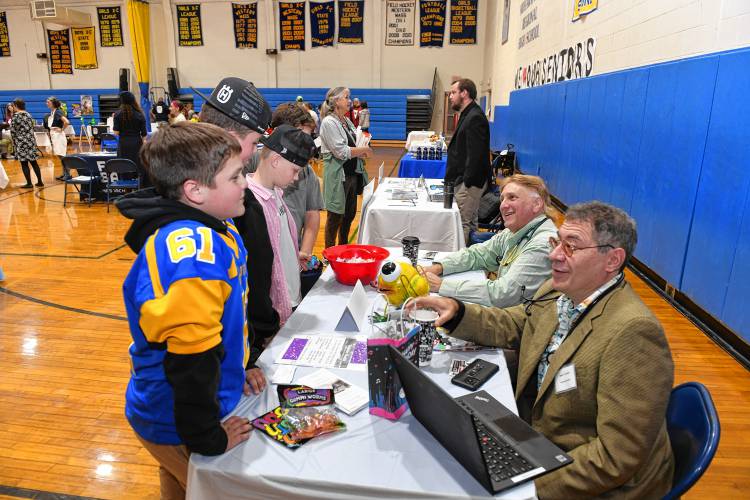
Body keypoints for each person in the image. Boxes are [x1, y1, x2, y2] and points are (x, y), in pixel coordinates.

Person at [412, 201, 675, 498]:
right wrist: (458, 311)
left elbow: (617, 458)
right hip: (539, 440)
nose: (554, 255)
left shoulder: (634, 333)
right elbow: (518, 324)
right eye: (556, 242)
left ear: (612, 260)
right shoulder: (558, 290)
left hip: (589, 477)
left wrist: (530, 488)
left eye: (571, 247)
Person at [116, 121, 267, 499]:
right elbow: (191, 358)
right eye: (235, 177)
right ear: (194, 190)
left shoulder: (217, 226)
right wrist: (208, 437)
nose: (246, 183)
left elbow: (220, 321)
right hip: (178, 418)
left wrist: (240, 363)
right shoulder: (195, 253)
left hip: (185, 404)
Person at [235, 124, 316, 356]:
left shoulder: (276, 195)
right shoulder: (251, 204)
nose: (297, 176)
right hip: (272, 314)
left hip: (290, 300)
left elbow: (275, 246)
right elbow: (256, 272)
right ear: (275, 160)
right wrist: (266, 327)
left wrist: (292, 254)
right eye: (294, 170)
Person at [422, 174, 557, 307]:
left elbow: (503, 294)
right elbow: (478, 254)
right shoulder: (516, 231)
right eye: (502, 199)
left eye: (512, 198)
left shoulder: (543, 244)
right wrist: (438, 267)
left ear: (536, 204)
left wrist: (441, 285)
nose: (503, 205)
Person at [319, 87, 372, 248]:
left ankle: (343, 248)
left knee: (349, 215)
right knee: (335, 217)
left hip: (351, 175)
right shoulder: (329, 122)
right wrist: (364, 150)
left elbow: (352, 145)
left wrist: (361, 148)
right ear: (336, 101)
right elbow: (341, 152)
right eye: (346, 97)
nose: (350, 100)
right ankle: (329, 253)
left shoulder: (346, 120)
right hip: (338, 176)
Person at [445, 78, 491, 245]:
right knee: (470, 224)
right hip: (465, 181)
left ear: (464, 93)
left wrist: (467, 183)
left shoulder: (475, 117)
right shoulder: (467, 114)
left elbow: (476, 156)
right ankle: (472, 260)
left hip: (470, 183)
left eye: (453, 93)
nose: (450, 96)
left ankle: (461, 263)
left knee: (461, 224)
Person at [113, 91, 149, 185]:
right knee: (138, 168)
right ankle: (138, 191)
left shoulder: (117, 114)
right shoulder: (140, 114)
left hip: (123, 144)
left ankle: (126, 193)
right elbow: (144, 134)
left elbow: (116, 132)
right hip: (137, 144)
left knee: (124, 168)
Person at [9, 99, 44, 188]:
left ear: (16, 105)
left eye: (13, 106)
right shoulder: (28, 114)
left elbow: (12, 131)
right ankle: (40, 182)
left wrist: (14, 142)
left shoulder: (16, 116)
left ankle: (29, 183)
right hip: (31, 141)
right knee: (34, 162)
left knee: (24, 163)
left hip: (21, 142)